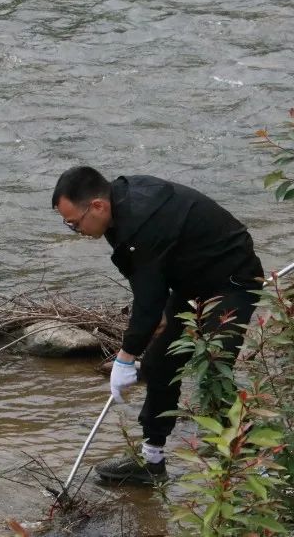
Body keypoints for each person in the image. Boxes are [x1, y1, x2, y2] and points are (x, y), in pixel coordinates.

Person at [52, 166, 264, 485]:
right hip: (190, 281)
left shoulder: (139, 222)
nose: (75, 230)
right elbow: (146, 283)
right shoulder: (117, 211)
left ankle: (257, 465)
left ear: (97, 205)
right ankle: (151, 462)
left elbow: (148, 299)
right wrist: (153, 319)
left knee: (213, 369)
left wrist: (125, 358)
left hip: (232, 280)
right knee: (159, 363)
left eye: (74, 223)